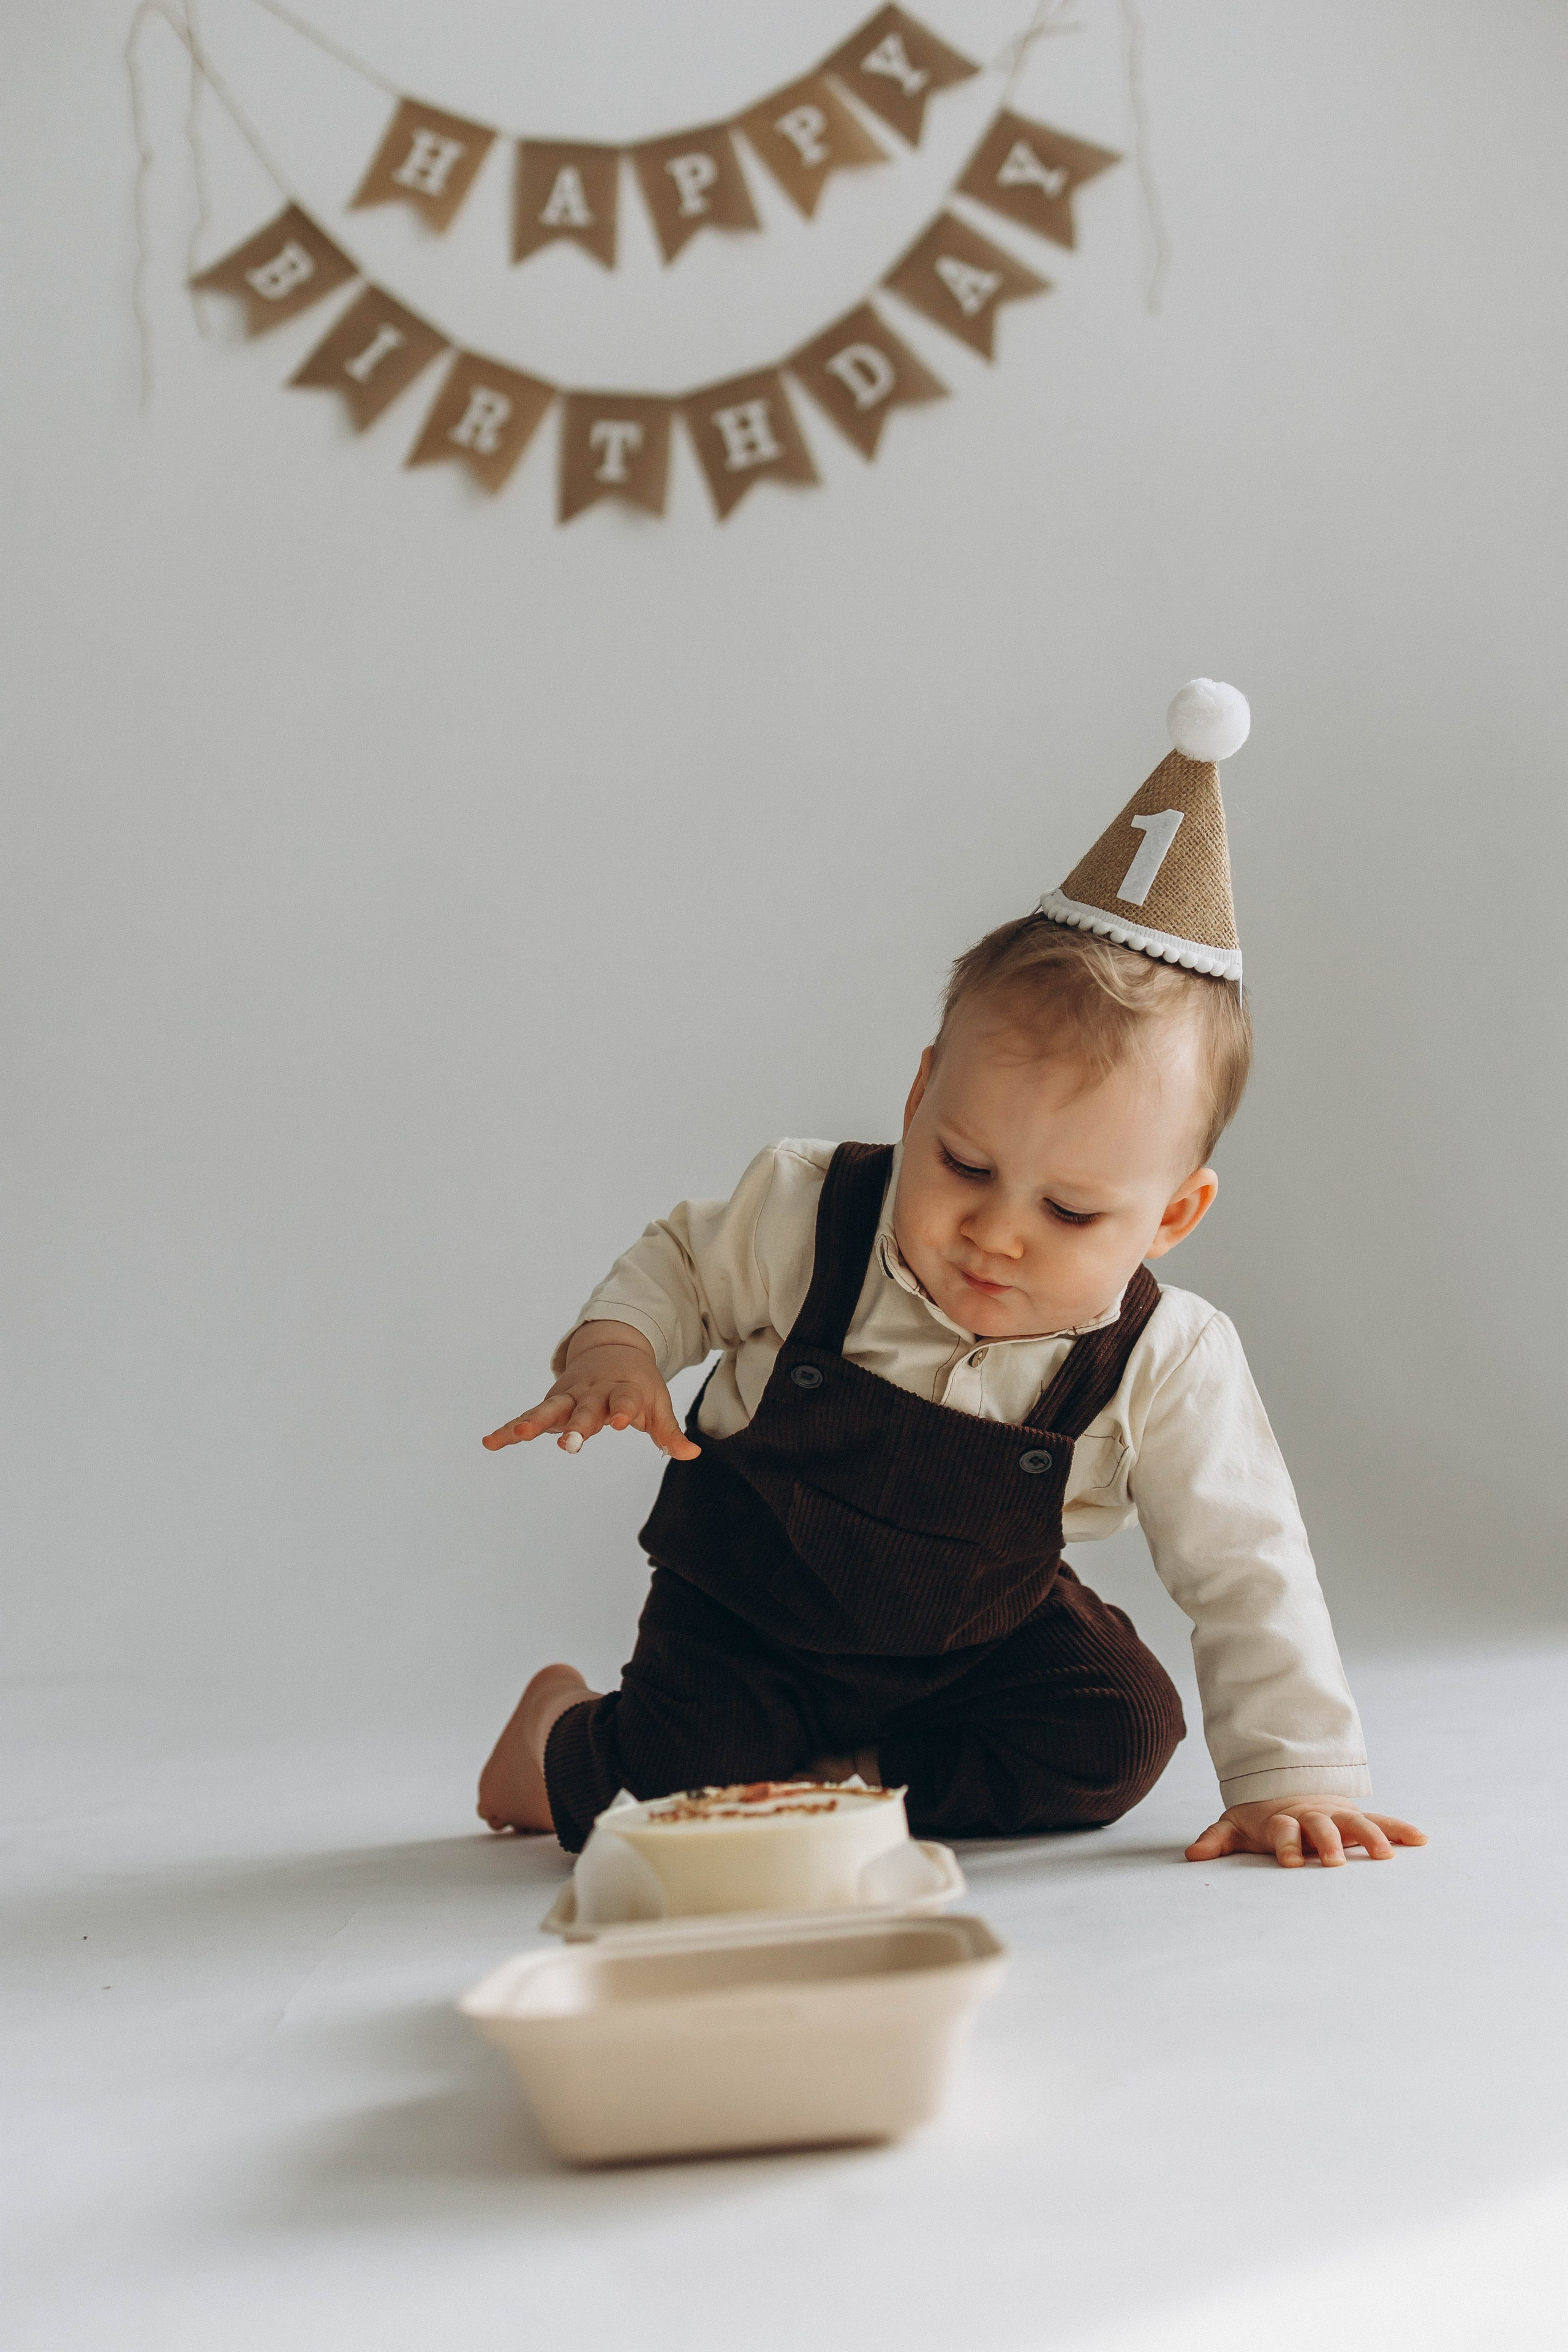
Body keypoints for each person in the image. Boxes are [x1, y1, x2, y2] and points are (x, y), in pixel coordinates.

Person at [478, 680, 1425, 1871]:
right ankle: (553, 1742)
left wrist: (1294, 1773)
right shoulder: (811, 1212)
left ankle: (841, 1783)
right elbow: (679, 1268)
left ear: (1173, 1216)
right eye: (964, 1165)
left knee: (1119, 1730)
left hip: (975, 1643)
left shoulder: (1167, 1359)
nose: (996, 1233)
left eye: (1070, 1211)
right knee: (663, 1788)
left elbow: (1247, 1565)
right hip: (746, 1617)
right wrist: (617, 1349)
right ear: (921, 1094)